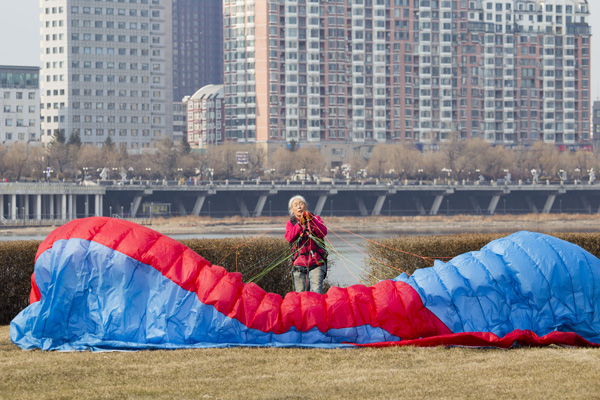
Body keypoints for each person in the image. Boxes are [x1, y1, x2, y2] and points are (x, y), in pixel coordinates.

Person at [284, 195, 328, 294]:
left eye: (301, 203)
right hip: (299, 264)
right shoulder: (291, 223)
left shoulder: (315, 218)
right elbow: (289, 238)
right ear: (292, 209)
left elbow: (323, 232)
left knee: (316, 292)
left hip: (317, 262)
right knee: (300, 295)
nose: (299, 206)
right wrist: (300, 224)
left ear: (306, 206)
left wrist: (311, 220)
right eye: (295, 205)